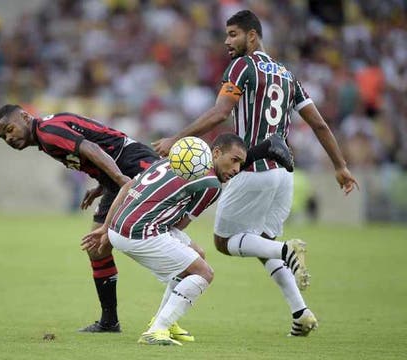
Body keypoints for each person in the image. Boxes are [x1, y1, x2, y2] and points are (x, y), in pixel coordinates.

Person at [0, 104, 292, 337]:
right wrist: (102, 185)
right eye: (3, 136)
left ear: (23, 115)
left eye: (10, 128)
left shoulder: (47, 131)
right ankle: (114, 318)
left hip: (129, 164)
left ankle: (262, 151)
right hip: (119, 169)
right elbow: (98, 145)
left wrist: (122, 181)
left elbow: (93, 149)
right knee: (100, 245)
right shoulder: (47, 134)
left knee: (203, 177)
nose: (9, 137)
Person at [153, 10, 359, 336]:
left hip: (249, 168)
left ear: (252, 36)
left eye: (233, 34)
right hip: (283, 174)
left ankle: (286, 251)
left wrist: (176, 138)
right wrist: (341, 166)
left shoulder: (242, 66)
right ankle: (300, 312)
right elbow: (318, 123)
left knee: (224, 242)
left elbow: (221, 112)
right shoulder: (288, 75)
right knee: (260, 244)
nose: (227, 41)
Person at [81, 133, 305, 345]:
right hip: (140, 232)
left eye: (240, 163)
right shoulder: (210, 184)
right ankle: (157, 329)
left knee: (196, 255)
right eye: (234, 160)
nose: (236, 169)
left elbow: (129, 185)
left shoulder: (174, 158)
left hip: (121, 225)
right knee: (203, 273)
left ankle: (165, 320)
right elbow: (179, 224)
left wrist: (106, 227)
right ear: (215, 154)